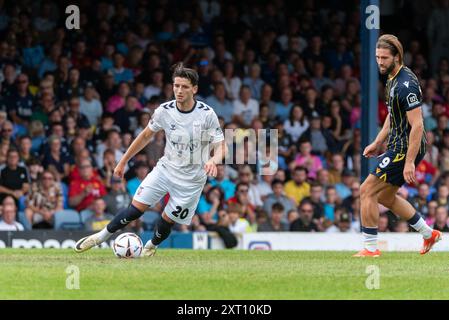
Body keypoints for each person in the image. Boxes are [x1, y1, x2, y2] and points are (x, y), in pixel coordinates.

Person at [75, 63, 227, 256]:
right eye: (176, 85)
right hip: (165, 169)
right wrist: (123, 161)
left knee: (167, 220)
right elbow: (145, 136)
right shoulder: (164, 110)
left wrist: (214, 160)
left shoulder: (207, 114)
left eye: (185, 87)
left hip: (192, 179)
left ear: (194, 89)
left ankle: (151, 246)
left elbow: (221, 145)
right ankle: (100, 237)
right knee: (134, 210)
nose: (179, 91)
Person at [356, 34, 441, 257]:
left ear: (397, 56)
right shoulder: (392, 78)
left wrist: (409, 161)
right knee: (384, 197)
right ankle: (428, 233)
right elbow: (393, 115)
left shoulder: (406, 85)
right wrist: (377, 141)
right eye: (377, 57)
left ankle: (370, 249)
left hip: (405, 147)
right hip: (397, 144)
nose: (380, 62)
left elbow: (418, 125)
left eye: (384, 57)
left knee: (366, 190)